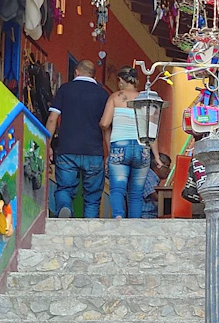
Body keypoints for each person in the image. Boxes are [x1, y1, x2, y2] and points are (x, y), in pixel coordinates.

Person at [46, 56, 108, 217]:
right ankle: (89, 229)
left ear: (76, 72)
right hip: (94, 151)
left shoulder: (65, 89)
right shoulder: (103, 94)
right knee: (92, 197)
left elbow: (53, 118)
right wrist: (109, 152)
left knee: (64, 188)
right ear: (93, 75)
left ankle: (65, 207)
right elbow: (107, 125)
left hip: (67, 149)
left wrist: (47, 144)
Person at [102, 66, 150, 218]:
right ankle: (134, 223)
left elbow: (104, 123)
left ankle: (118, 218)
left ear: (121, 81)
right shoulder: (145, 98)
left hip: (120, 145)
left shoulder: (115, 97)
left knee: (117, 188)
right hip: (142, 147)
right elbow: (151, 129)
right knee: (136, 193)